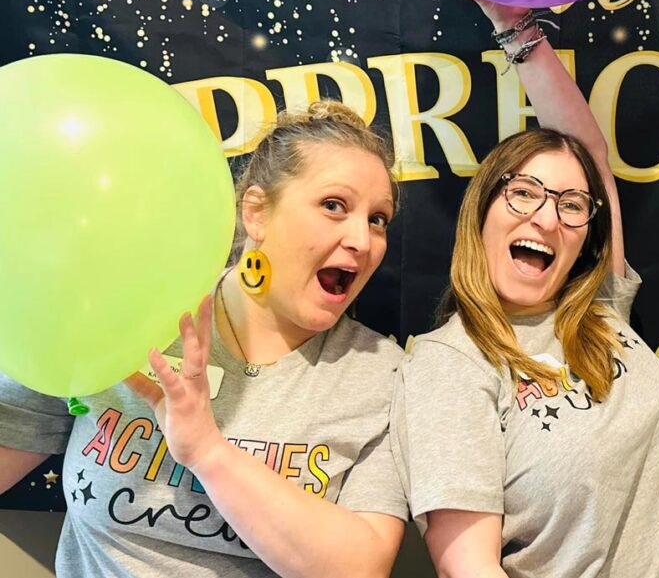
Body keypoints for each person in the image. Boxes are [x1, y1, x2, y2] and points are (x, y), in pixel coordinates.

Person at [389, 0, 659, 577]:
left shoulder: (602, 310)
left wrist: (512, 24)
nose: (546, 218)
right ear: (483, 209)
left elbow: (593, 155)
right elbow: (467, 571)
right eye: (523, 193)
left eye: (570, 205)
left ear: (584, 235)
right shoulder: (449, 366)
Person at [0, 102, 407, 577]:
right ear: (255, 212)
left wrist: (209, 452)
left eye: (378, 219)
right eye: (334, 206)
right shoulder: (130, 312)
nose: (363, 239)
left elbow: (359, 569)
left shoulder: (382, 373)